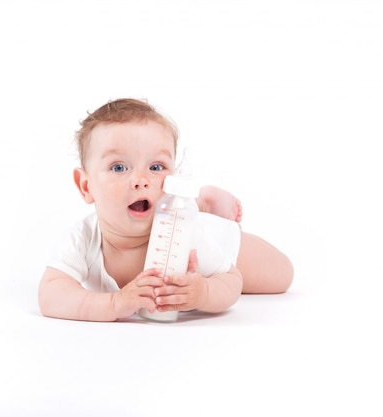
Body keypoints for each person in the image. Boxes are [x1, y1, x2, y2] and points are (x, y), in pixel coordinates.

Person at [38, 98, 293, 322]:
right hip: (180, 216)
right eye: (119, 167)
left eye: (157, 167)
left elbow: (232, 280)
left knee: (281, 276)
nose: (141, 180)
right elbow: (50, 294)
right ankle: (199, 203)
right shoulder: (82, 238)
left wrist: (204, 293)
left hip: (211, 235)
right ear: (86, 186)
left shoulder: (187, 235)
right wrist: (114, 304)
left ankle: (200, 206)